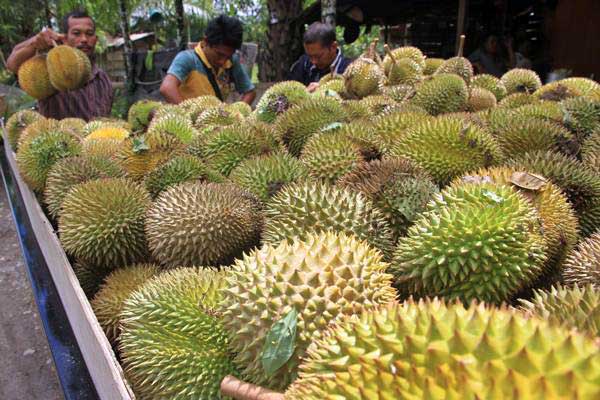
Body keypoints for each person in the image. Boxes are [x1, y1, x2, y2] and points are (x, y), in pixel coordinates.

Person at [7, 10, 113, 121]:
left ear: (95, 39)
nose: (84, 39)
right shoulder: (51, 70)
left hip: (97, 137)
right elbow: (12, 64)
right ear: (65, 38)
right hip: (59, 137)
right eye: (76, 33)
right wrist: (34, 43)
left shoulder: (103, 79)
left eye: (89, 34)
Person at [160, 15, 256, 105]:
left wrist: (237, 114)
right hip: (189, 119)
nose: (222, 61)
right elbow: (167, 88)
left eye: (227, 56)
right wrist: (187, 116)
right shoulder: (187, 59)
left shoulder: (231, 60)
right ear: (206, 42)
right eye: (219, 54)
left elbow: (250, 93)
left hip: (218, 119)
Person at [289, 22, 352, 92]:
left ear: (333, 47)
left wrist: (326, 90)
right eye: (310, 56)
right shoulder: (303, 64)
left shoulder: (350, 69)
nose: (313, 61)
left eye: (318, 56)